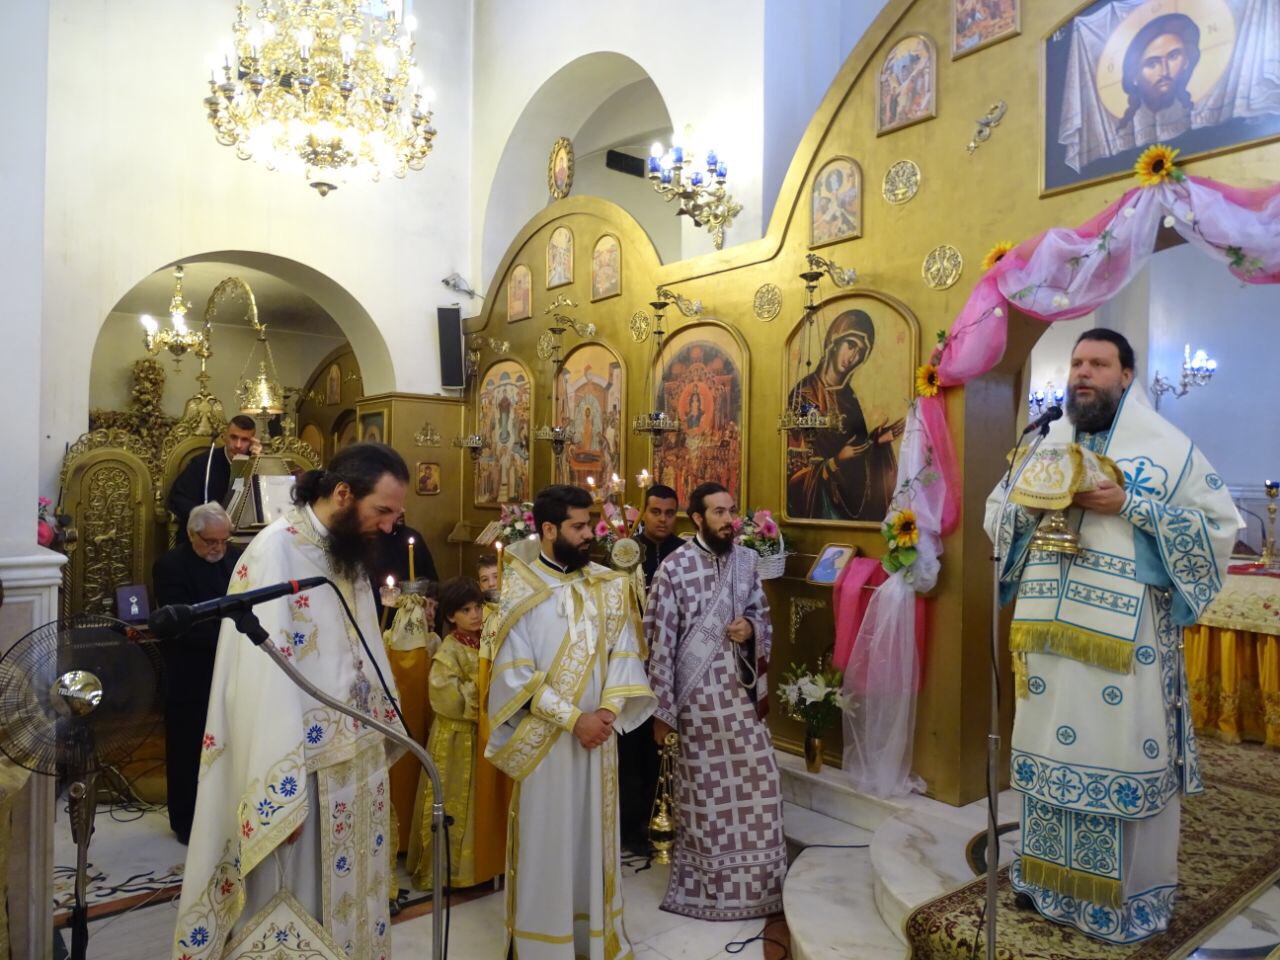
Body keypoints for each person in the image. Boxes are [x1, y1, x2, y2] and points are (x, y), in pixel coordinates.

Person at [985, 329, 1236, 944]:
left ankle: (1123, 903)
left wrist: (1129, 505)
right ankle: (1047, 883)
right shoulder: (1046, 442)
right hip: (1049, 641)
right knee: (1049, 748)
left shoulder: (1168, 450)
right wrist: (1029, 507)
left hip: (1126, 646)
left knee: (1117, 752)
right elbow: (997, 516)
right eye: (1076, 362)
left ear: (1126, 375)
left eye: (1098, 363)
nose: (1082, 373)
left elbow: (1218, 528)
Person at [172, 443, 409, 960]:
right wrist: (280, 796)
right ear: (343, 493)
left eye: (395, 514)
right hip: (305, 771)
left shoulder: (349, 549)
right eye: (383, 511)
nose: (390, 525)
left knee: (357, 901)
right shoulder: (274, 552)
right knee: (300, 903)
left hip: (357, 763)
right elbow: (259, 680)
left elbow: (364, 648)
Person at [484, 484, 655, 959]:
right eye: (578, 527)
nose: (588, 535)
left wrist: (607, 714)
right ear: (548, 529)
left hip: (598, 742)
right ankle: (544, 947)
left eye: (590, 525)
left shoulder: (609, 585)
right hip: (547, 745)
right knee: (547, 842)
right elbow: (513, 676)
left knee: (592, 841)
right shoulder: (518, 591)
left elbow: (626, 653)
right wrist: (575, 720)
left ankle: (592, 941)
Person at [643, 482, 786, 920]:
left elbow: (762, 616)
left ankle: (760, 884)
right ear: (698, 519)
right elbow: (658, 642)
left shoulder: (746, 562)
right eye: (719, 513)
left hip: (739, 698)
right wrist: (662, 713)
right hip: (697, 704)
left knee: (762, 782)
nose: (729, 520)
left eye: (731, 511)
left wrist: (751, 630)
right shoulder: (673, 569)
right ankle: (711, 887)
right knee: (706, 797)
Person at [406, 577, 508, 890]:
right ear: (451, 615)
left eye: (478, 607)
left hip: (483, 735)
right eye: (466, 610)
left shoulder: (487, 644)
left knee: (481, 801)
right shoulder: (448, 649)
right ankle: (447, 871)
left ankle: (481, 867)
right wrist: (481, 689)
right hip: (454, 737)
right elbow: (444, 695)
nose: (475, 615)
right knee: (452, 800)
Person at [152, 502, 240, 845]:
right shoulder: (171, 566)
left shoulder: (235, 559)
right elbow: (181, 623)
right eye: (210, 541)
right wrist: (232, 636)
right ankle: (186, 823)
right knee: (188, 750)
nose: (219, 548)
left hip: (231, 668)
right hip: (190, 671)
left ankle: (224, 816)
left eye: (224, 540)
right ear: (192, 535)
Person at [786, 309, 904, 522]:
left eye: (860, 352)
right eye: (850, 345)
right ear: (834, 342)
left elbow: (854, 447)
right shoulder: (806, 395)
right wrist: (835, 462)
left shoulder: (848, 396)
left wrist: (874, 442)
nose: (852, 357)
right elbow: (798, 463)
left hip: (853, 499)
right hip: (822, 503)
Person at [616, 483, 682, 855]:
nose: (662, 520)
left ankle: (665, 817)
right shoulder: (626, 551)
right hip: (631, 664)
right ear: (644, 513)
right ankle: (630, 824)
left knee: (665, 747)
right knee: (633, 745)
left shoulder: (683, 554)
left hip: (670, 665)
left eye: (670, 513)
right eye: (655, 512)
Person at [168, 415, 262, 544]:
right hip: (206, 535)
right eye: (234, 437)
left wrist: (259, 462)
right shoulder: (203, 463)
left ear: (252, 442)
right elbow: (179, 499)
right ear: (225, 436)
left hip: (245, 536)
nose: (238, 445)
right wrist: (206, 520)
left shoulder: (255, 464)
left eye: (245, 440)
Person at [1115, 13, 1201, 152]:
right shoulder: (1125, 136)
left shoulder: (1198, 118)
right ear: (1134, 77)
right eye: (1152, 64)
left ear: (1186, 62)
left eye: (1173, 56)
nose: (1165, 72)